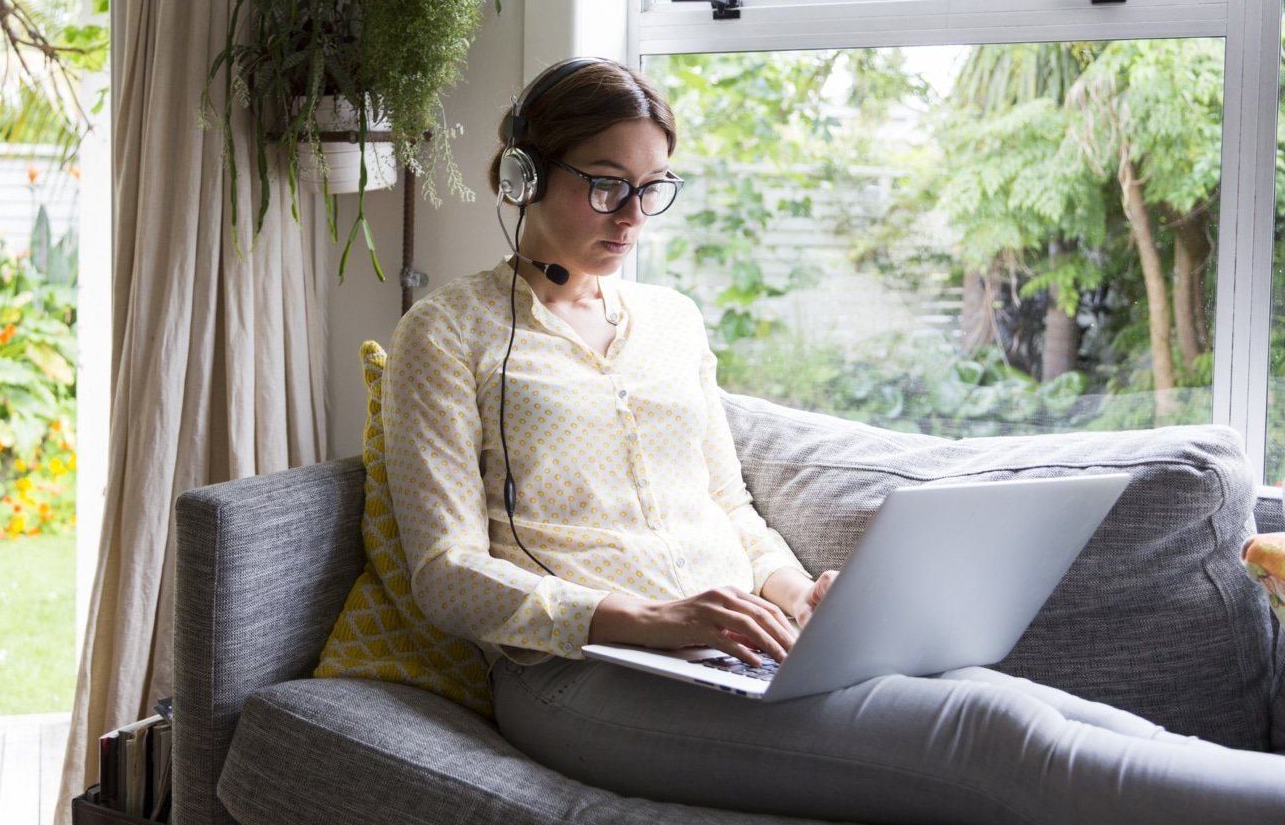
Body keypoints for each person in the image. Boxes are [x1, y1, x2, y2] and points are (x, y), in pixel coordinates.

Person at [380, 57, 1285, 824]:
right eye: (606, 184)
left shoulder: (671, 320)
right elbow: (447, 574)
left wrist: (790, 589)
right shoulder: (447, 332)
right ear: (524, 177)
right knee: (995, 740)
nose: (632, 217)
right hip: (576, 678)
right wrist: (657, 622)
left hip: (744, 648)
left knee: (1027, 703)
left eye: (652, 189)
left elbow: (727, 504)